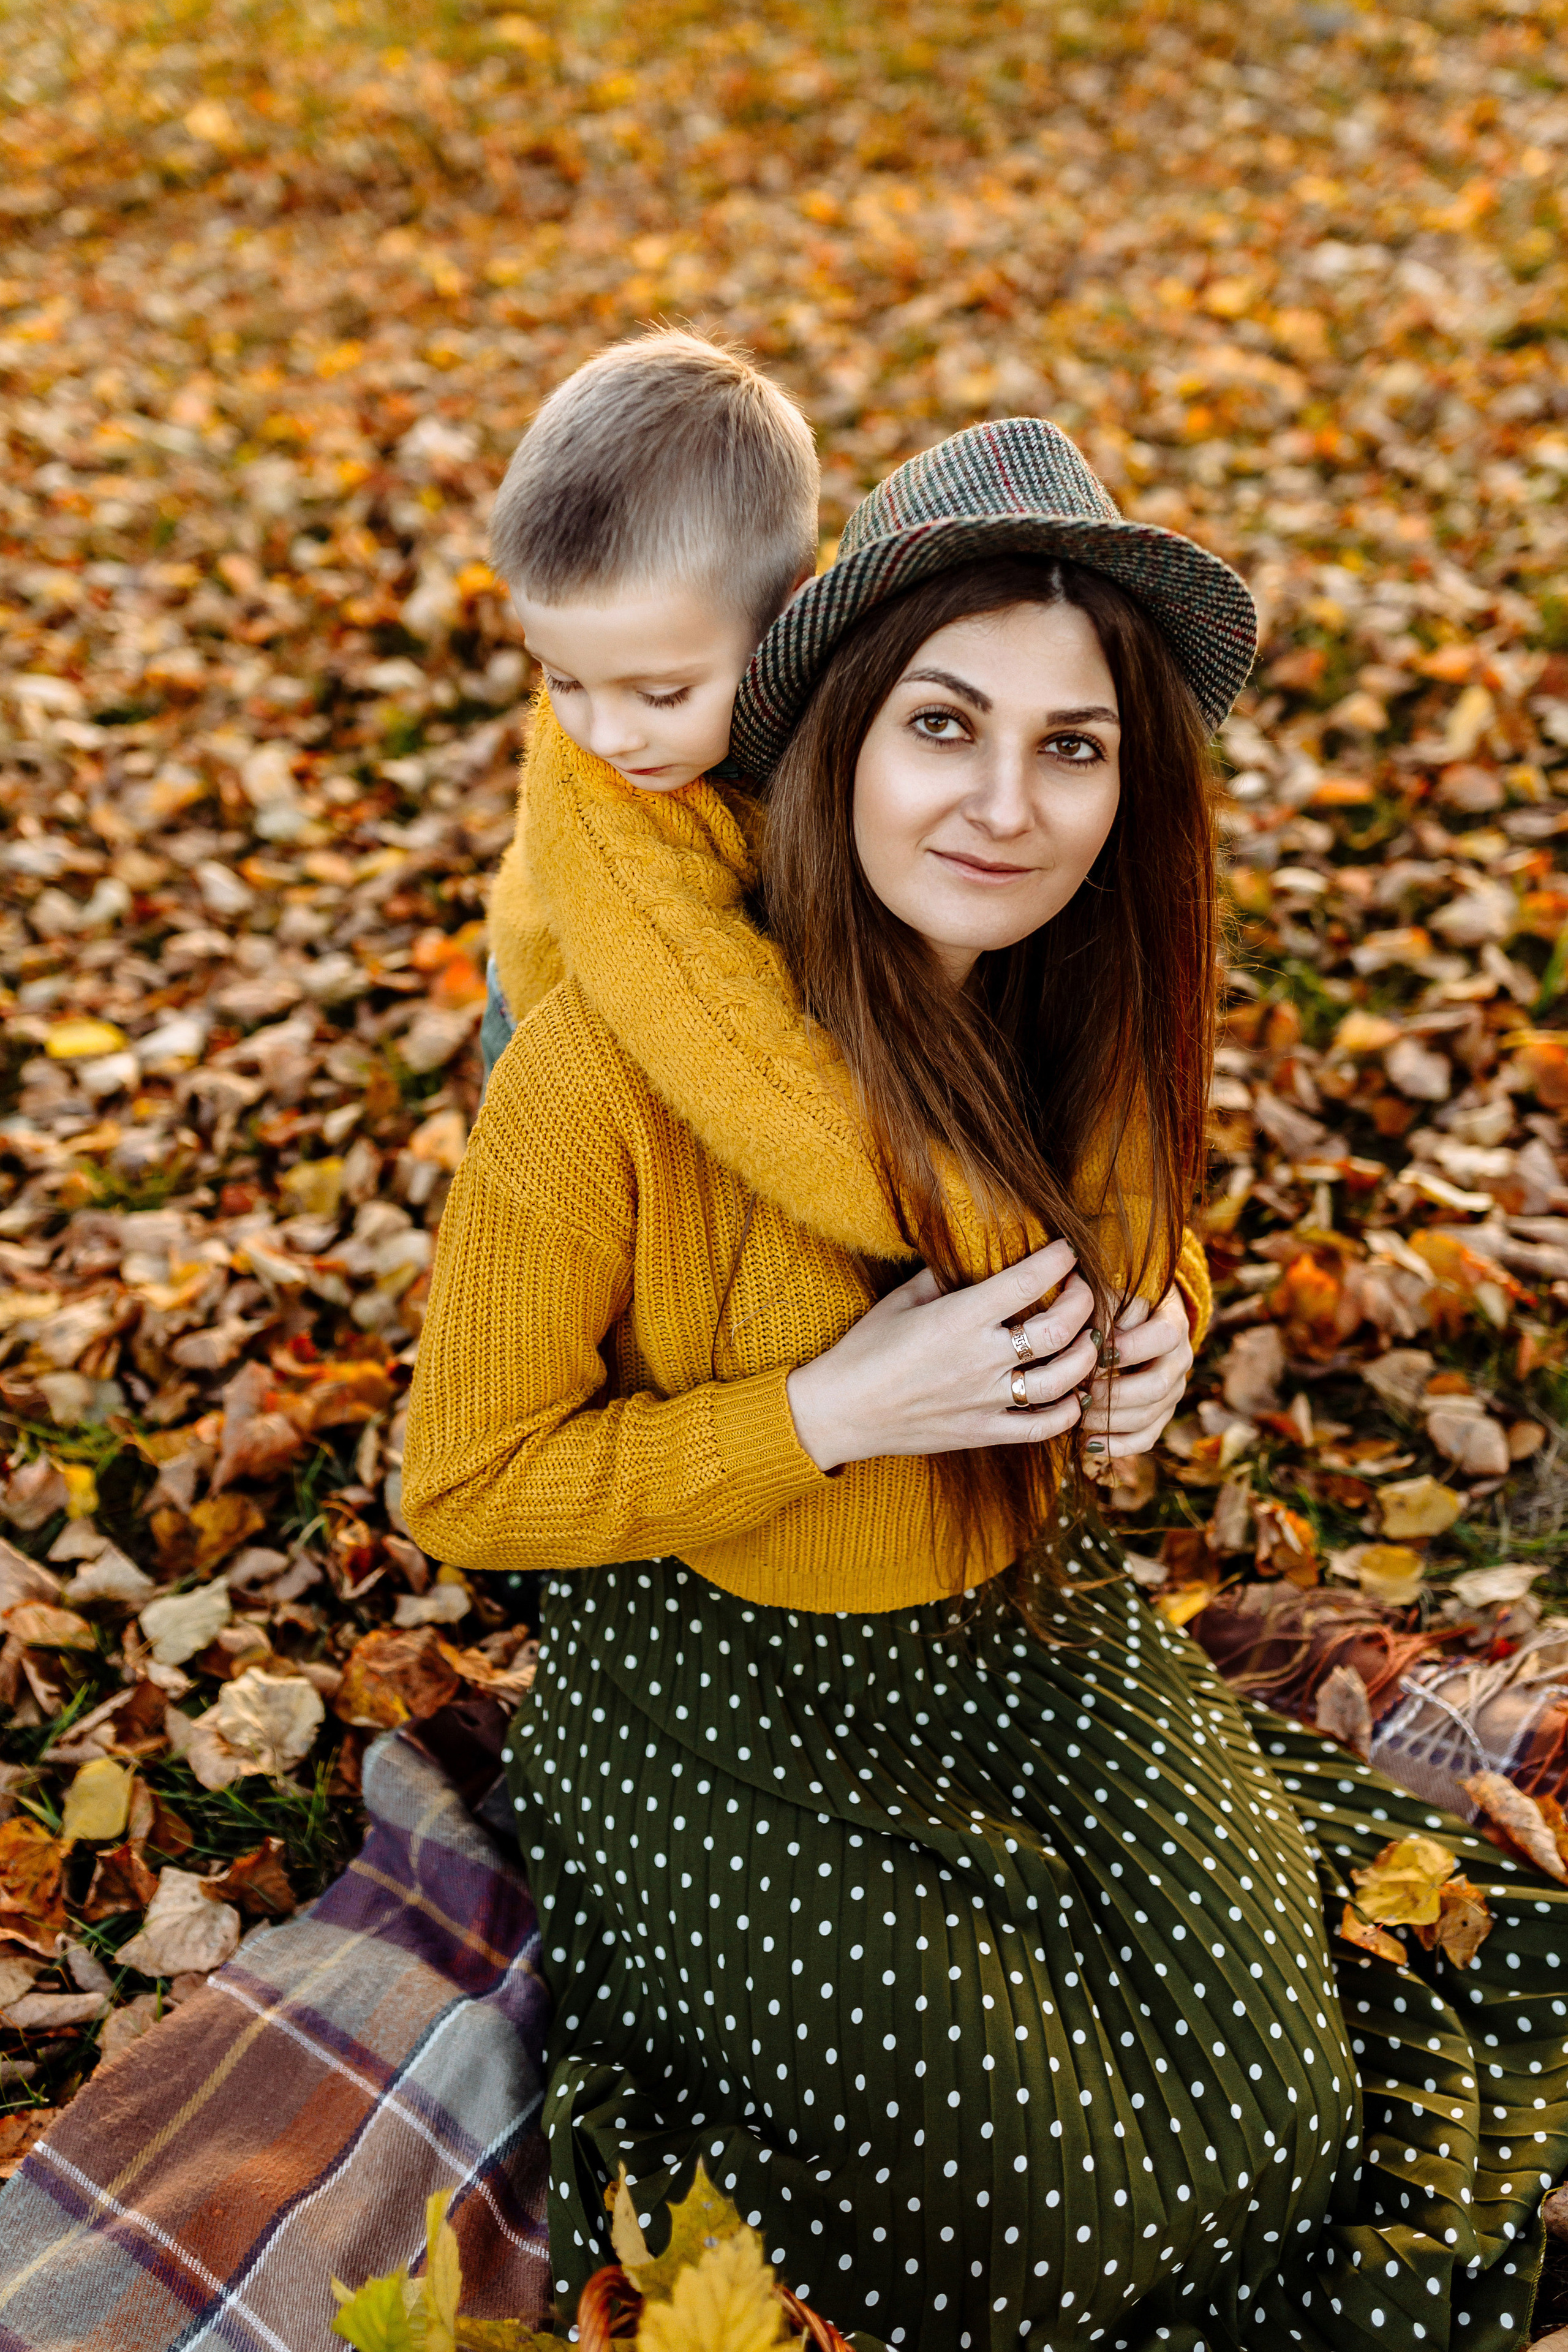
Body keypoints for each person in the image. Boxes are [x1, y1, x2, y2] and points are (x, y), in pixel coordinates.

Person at [404, 420, 1568, 2351]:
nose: (1005, 804)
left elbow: (1137, 1237)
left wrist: (1161, 1321)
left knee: (1283, 2121)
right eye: (944, 726)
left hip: (1022, 1622)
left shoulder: (1071, 990)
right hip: (713, 1678)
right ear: (839, 729)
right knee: (1038, 2224)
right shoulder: (609, 1071)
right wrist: (825, 1413)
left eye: (1072, 743)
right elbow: (459, 1486)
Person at [478, 324, 820, 1082]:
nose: (604, 736)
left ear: (790, 616)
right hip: (549, 1030)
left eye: (661, 695)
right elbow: (719, 1054)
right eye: (560, 680)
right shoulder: (599, 812)